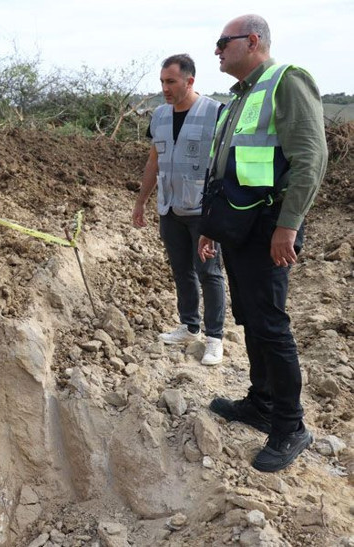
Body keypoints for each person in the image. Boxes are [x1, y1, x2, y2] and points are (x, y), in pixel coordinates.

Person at [198, 15, 328, 472]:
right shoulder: (240, 96)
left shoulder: (286, 82)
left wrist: (288, 227)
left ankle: (290, 425)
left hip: (270, 226)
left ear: (252, 41)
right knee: (251, 318)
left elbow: (311, 157)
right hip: (240, 226)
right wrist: (214, 228)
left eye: (222, 42)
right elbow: (230, 168)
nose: (216, 50)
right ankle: (261, 403)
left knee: (270, 324)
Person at [132, 54, 225, 365]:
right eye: (161, 82)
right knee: (181, 270)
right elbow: (153, 161)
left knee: (209, 273)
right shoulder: (159, 116)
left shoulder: (215, 113)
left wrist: (220, 213)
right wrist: (141, 200)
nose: (165, 88)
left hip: (203, 210)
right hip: (170, 207)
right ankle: (189, 325)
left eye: (170, 81)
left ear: (189, 81)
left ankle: (214, 337)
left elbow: (226, 165)